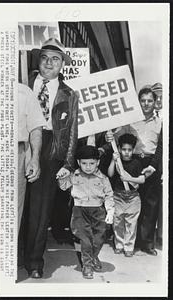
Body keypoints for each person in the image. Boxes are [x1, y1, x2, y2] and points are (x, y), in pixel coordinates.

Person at [23, 38, 78, 278]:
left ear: (62, 65)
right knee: (19, 204)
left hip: (51, 149)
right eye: (45, 57)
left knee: (40, 209)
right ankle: (15, 254)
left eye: (55, 59)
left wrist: (67, 163)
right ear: (39, 60)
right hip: (23, 142)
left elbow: (73, 131)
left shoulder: (69, 94)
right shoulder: (22, 83)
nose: (49, 63)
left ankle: (34, 261)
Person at [106, 86, 162, 255]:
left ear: (155, 102)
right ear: (138, 102)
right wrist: (110, 137)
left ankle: (146, 243)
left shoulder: (160, 122)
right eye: (143, 101)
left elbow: (161, 147)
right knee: (128, 204)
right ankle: (124, 239)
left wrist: (153, 166)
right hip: (132, 161)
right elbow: (117, 137)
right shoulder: (130, 120)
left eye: (149, 101)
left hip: (151, 164)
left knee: (150, 205)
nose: (146, 104)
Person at [58, 145, 115, 279]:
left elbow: (109, 195)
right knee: (86, 240)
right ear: (78, 162)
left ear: (98, 162)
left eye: (92, 163)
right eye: (84, 163)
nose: (88, 167)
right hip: (80, 211)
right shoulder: (74, 176)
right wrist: (62, 177)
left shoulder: (103, 179)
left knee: (99, 239)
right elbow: (63, 187)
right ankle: (87, 264)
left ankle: (94, 256)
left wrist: (110, 211)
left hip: (98, 212)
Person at [107, 133, 145, 257]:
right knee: (117, 222)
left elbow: (142, 180)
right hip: (118, 196)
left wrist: (130, 179)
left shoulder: (137, 163)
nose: (126, 152)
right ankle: (119, 244)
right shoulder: (118, 161)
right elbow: (110, 174)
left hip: (133, 197)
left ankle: (129, 246)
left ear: (133, 150)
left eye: (129, 150)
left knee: (131, 223)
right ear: (119, 149)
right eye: (124, 149)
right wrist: (113, 160)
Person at [18, 83, 46, 232]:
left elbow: (36, 128)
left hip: (15, 153)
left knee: (13, 209)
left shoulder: (24, 92)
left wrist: (34, 158)